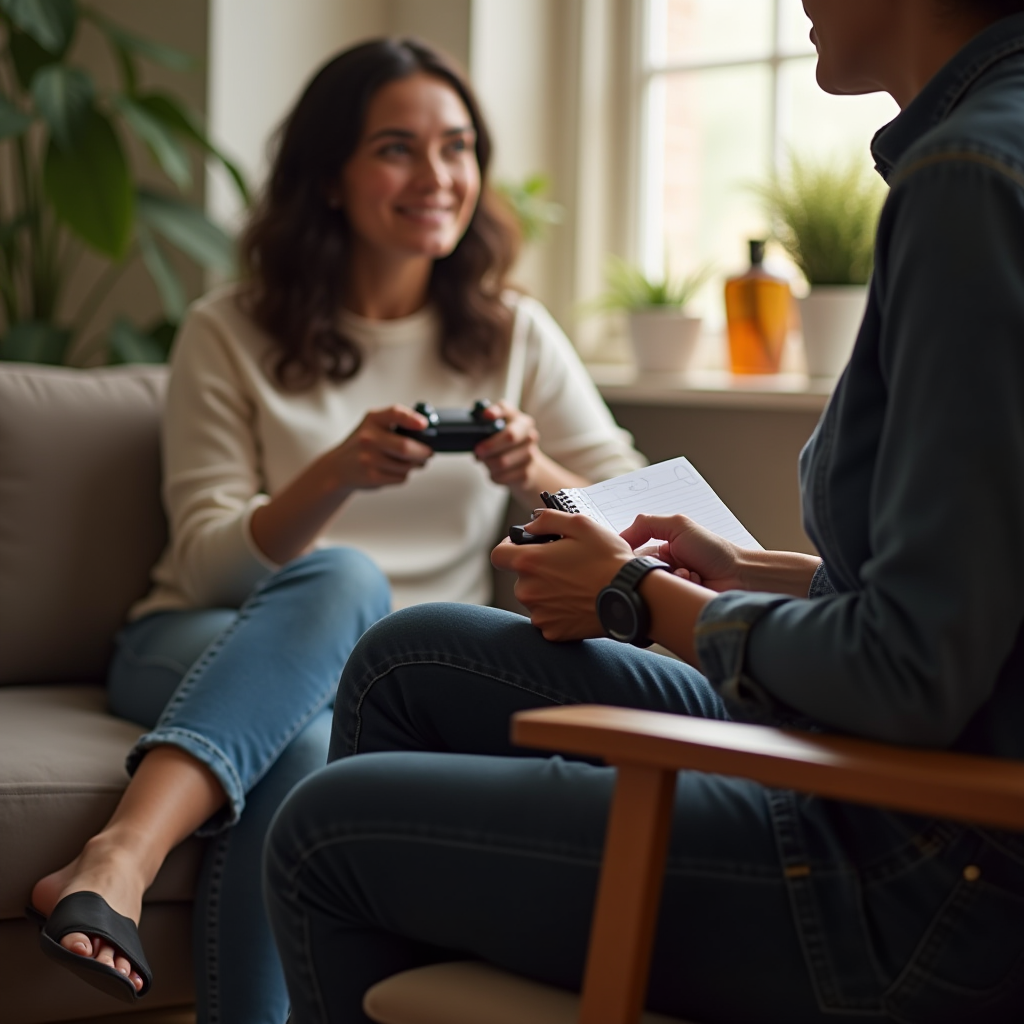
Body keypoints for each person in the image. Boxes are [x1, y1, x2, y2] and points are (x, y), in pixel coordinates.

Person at [263, 3, 1024, 1022]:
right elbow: (979, 591)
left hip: (915, 867)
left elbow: (911, 670)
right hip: (909, 778)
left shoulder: (966, 181)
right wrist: (743, 569)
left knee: (321, 828)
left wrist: (635, 594)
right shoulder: (977, 156)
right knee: (413, 660)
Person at [27, 38, 643, 1023]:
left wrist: (538, 474)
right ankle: (121, 853)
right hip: (204, 637)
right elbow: (204, 560)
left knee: (311, 747)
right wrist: (334, 475)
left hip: (389, 673)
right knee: (344, 575)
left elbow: (641, 515)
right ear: (325, 177)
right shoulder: (227, 331)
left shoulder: (512, 334)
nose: (436, 176)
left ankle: (123, 885)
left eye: (457, 147)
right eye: (396, 148)